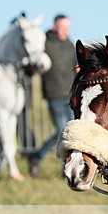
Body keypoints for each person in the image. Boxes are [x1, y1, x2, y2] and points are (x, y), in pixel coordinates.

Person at [27, 14, 75, 178]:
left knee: (72, 133)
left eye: (67, 27)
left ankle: (67, 168)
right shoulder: (45, 43)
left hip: (70, 94)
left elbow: (75, 67)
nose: (65, 31)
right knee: (62, 132)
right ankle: (36, 157)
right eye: (62, 27)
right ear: (54, 26)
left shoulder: (70, 45)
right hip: (54, 93)